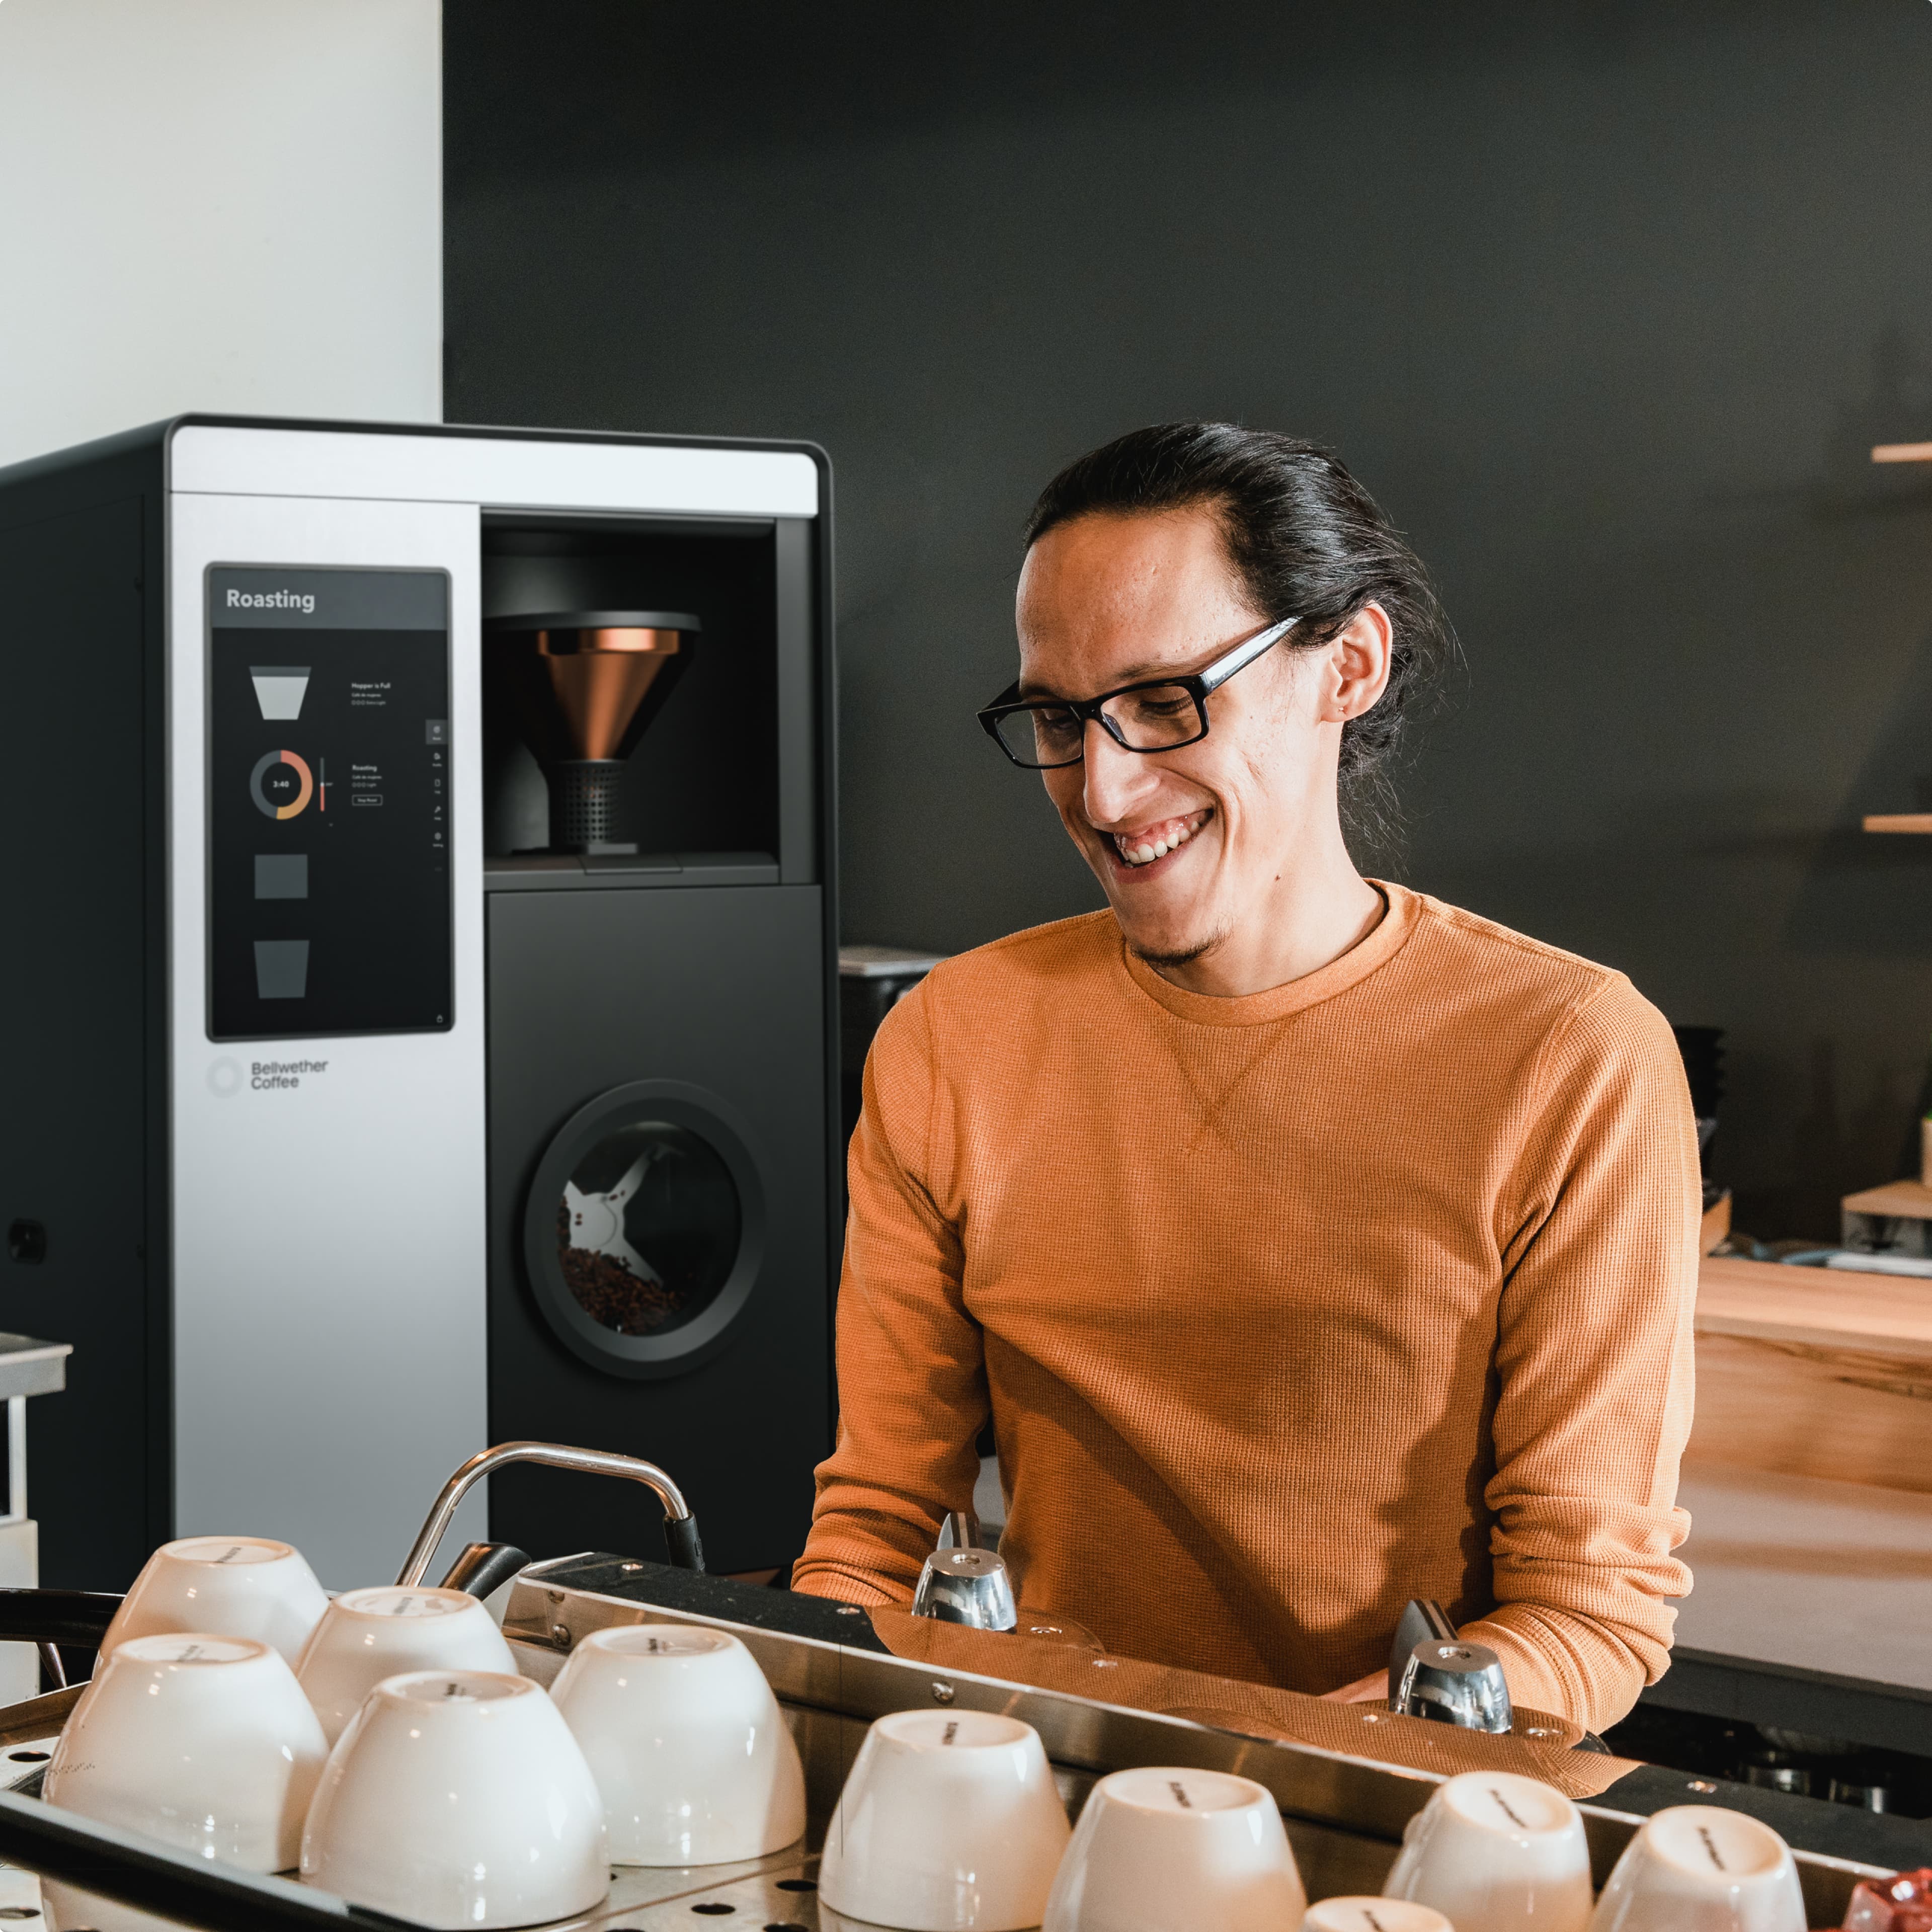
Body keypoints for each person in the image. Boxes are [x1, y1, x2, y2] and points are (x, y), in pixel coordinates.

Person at [789, 422, 1698, 1734]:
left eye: (1166, 701)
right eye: (1057, 715)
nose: (1102, 789)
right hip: (1028, 1804)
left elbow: (1587, 1613)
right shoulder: (952, 1040)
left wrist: (1281, 1778)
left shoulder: (1575, 1060)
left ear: (1349, 669)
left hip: (1393, 1839)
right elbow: (879, 1530)